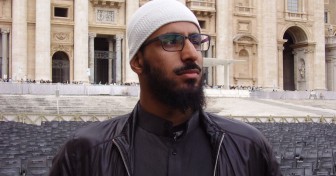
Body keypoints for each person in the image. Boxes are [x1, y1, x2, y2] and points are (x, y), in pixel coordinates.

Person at [49, 0, 282, 175]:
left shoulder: (250, 146)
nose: (192, 54)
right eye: (172, 41)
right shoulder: (83, 152)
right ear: (137, 61)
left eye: (197, 41)